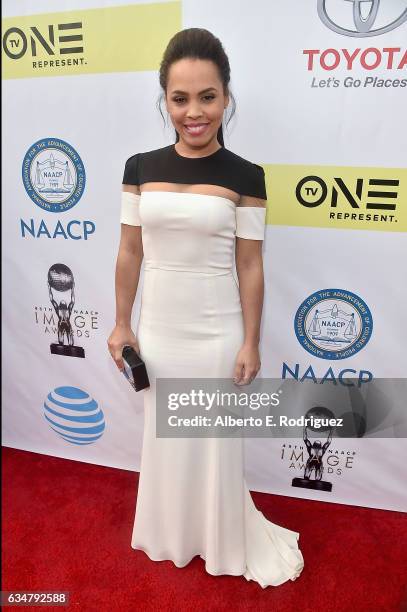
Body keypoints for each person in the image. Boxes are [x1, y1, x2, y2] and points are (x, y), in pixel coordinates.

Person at [108, 27, 304, 588]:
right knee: (164, 434)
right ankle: (170, 533)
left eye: (207, 97)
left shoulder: (247, 176)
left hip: (217, 329)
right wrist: (121, 323)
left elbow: (250, 265)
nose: (194, 113)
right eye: (180, 98)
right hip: (160, 329)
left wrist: (250, 341)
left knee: (213, 441)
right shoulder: (140, 166)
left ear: (226, 97)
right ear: (165, 100)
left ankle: (218, 537)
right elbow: (129, 251)